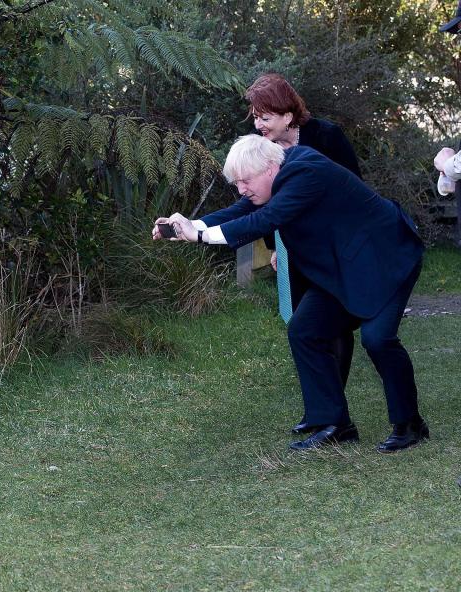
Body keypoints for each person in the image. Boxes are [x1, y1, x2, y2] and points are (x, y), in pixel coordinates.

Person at [153, 135, 427, 452]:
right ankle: (334, 424)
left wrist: (199, 235)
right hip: (344, 266)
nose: (241, 188)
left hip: (386, 257)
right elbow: (242, 209)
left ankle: (410, 424)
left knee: (378, 339)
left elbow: (265, 220)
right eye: (237, 182)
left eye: (245, 180)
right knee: (305, 330)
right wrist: (190, 224)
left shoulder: (305, 173)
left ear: (270, 167)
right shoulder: (277, 173)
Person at [243, 73, 362, 437]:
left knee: (333, 325)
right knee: (303, 325)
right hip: (293, 248)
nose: (258, 123)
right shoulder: (264, 149)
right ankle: (320, 410)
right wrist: (273, 247)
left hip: (335, 249)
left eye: (265, 116)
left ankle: (333, 410)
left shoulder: (327, 136)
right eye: (255, 116)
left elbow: (353, 191)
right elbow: (261, 199)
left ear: (287, 114)